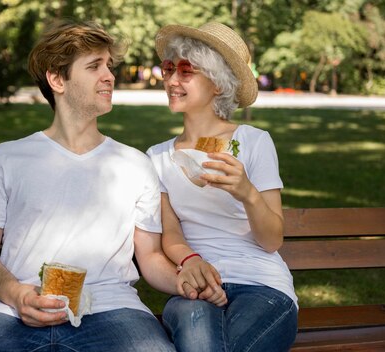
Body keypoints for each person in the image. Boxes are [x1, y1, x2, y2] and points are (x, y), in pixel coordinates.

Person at [0, 20, 178, 351]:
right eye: (94, 66)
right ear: (56, 79)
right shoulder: (6, 159)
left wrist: (187, 281)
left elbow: (150, 255)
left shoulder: (136, 165)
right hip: (13, 309)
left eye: (108, 65)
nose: (109, 76)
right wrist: (16, 294)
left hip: (112, 309)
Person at [146, 22, 298, 351]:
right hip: (194, 285)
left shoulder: (252, 142)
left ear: (217, 83)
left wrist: (247, 193)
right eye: (169, 69)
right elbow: (170, 234)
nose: (172, 81)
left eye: (186, 70)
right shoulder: (157, 157)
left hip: (262, 285)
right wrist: (192, 262)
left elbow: (272, 240)